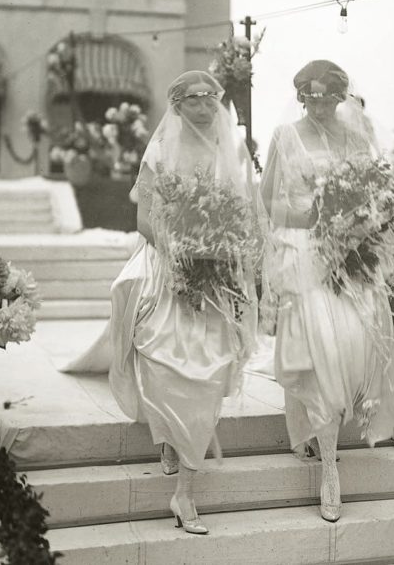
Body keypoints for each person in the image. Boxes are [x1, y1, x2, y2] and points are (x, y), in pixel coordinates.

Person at [59, 71, 259, 535]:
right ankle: (167, 436)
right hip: (168, 264)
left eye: (213, 97)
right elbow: (144, 219)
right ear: (177, 105)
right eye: (196, 98)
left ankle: (184, 494)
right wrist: (181, 248)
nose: (207, 105)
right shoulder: (160, 150)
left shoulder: (232, 151)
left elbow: (246, 214)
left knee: (208, 372)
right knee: (163, 354)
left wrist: (222, 248)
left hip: (215, 273)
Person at [259, 60, 394, 523]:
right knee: (321, 347)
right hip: (306, 252)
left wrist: (362, 223)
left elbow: (382, 191)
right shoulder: (285, 136)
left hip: (354, 254)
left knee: (354, 344)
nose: (319, 105)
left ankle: (316, 428)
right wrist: (316, 218)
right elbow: (270, 202)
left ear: (341, 97)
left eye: (327, 97)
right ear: (300, 97)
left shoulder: (358, 135)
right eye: (311, 97)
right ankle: (330, 469)